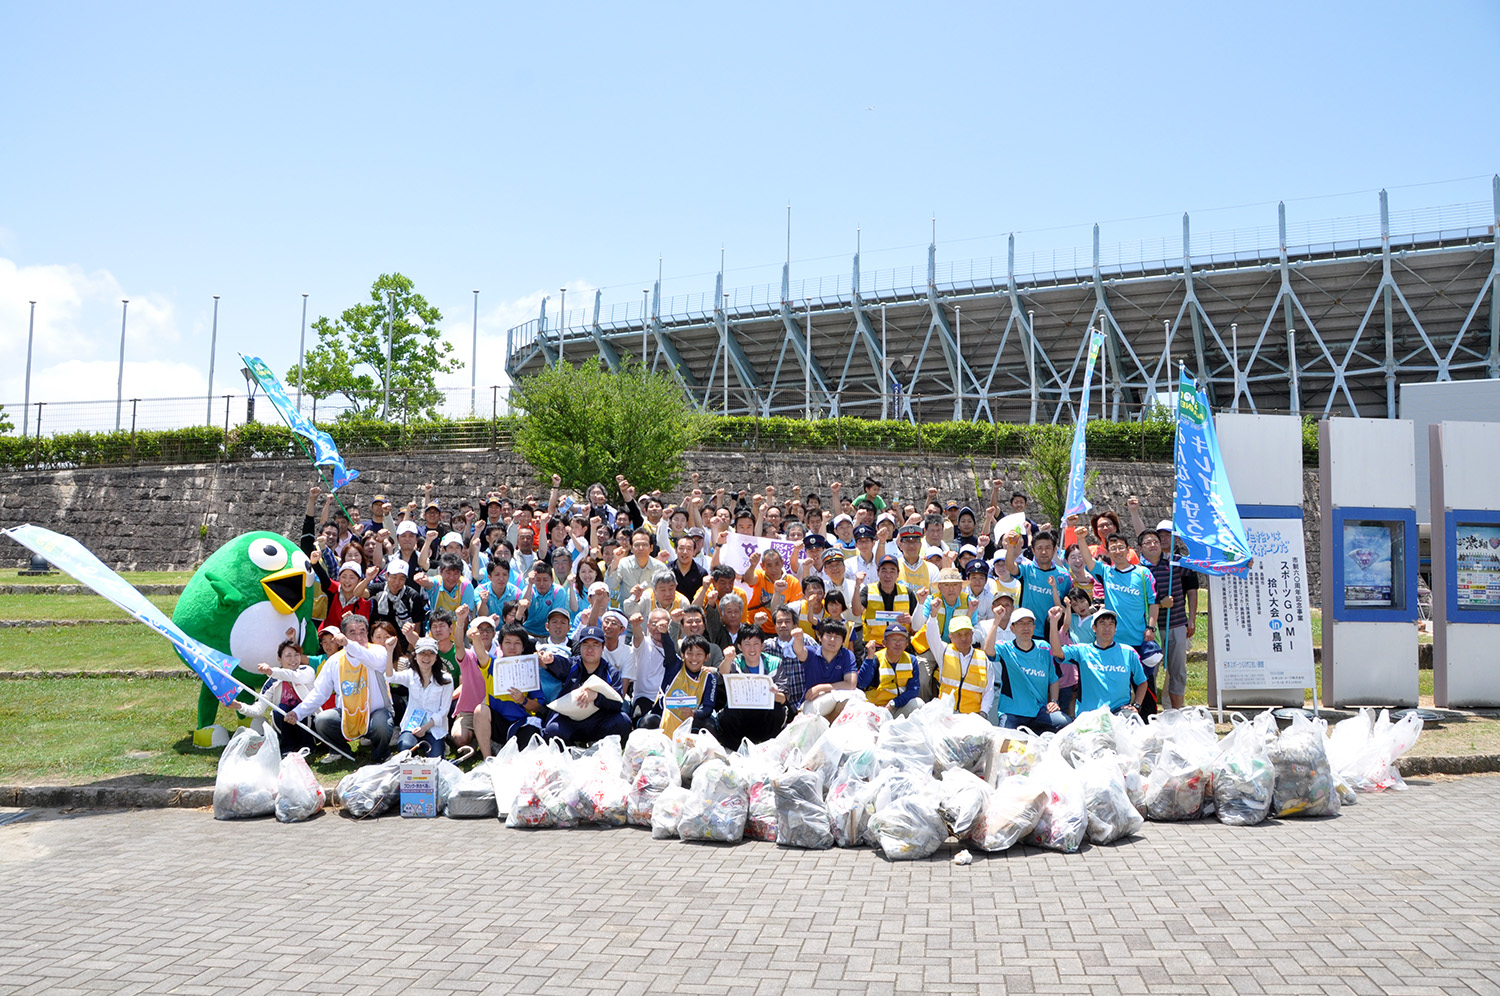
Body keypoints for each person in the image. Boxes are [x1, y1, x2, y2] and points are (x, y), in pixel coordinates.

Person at [288, 614, 397, 761]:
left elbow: (375, 662)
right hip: (348, 715)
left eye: (362, 632)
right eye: (352, 633)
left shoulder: (378, 651)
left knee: (381, 725)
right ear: (343, 636)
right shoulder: (334, 661)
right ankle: (340, 751)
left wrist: (349, 644)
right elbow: (319, 692)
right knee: (323, 719)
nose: (359, 637)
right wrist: (297, 713)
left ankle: (381, 755)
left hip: (377, 714)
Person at [1135, 520, 1200, 711]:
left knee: (1178, 671)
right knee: (1149, 672)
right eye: (1148, 542)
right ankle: (1150, 712)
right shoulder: (1138, 571)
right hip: (1150, 629)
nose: (1154, 544)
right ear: (1140, 547)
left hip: (1177, 624)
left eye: (1156, 541)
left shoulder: (1176, 563)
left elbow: (1201, 565)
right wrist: (1160, 605)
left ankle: (1176, 713)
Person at [540, 625, 633, 747]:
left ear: (602, 648)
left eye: (595, 645)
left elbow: (616, 703)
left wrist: (596, 697)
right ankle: (570, 751)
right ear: (580, 647)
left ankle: (604, 752)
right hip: (570, 721)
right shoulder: (572, 664)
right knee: (553, 729)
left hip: (598, 722)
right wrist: (550, 660)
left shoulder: (611, 672)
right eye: (586, 645)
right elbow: (559, 664)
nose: (590, 649)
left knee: (623, 721)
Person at [1046, 607, 1147, 716]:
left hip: (1119, 713)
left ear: (1115, 628)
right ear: (1094, 628)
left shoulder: (1129, 652)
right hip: (1089, 714)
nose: (1107, 628)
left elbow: (1142, 682)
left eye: (1111, 624)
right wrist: (1053, 621)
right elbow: (1057, 652)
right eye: (1103, 623)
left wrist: (1136, 705)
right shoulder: (1081, 651)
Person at [1076, 528, 1158, 655]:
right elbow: (1088, 560)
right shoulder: (1105, 572)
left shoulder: (1143, 573)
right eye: (1113, 549)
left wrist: (1151, 628)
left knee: (1140, 674)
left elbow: (1154, 602)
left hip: (1139, 638)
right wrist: (1081, 539)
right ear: (1108, 553)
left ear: (1128, 549)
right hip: (1113, 639)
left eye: (1121, 547)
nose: (1117, 551)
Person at [473, 624, 546, 755]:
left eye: (517, 643)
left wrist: (522, 700)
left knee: (529, 743)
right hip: (497, 722)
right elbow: (481, 654)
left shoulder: (530, 668)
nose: (512, 647)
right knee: (480, 710)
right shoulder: (493, 664)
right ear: (500, 645)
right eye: (508, 642)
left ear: (523, 647)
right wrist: (475, 638)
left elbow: (536, 706)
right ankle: (488, 759)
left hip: (521, 722)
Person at [713, 625, 788, 751]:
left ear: (762, 646)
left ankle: (769, 748)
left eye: (756, 644)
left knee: (778, 711)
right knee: (727, 715)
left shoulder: (775, 663)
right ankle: (735, 749)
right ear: (740, 647)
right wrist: (727, 659)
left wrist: (773, 694)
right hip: (741, 711)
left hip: (764, 712)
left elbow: (783, 698)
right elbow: (722, 674)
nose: (752, 649)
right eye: (747, 644)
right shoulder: (735, 661)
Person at [992, 608, 1065, 732]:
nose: (1025, 627)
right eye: (1021, 623)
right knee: (1005, 740)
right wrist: (996, 621)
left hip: (1039, 711)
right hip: (1012, 711)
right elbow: (988, 650)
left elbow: (1053, 678)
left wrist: (1054, 701)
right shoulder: (1005, 648)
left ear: (1034, 627)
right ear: (1012, 628)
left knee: (1064, 723)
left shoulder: (1044, 647)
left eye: (1029, 623)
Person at [388, 636, 453, 758]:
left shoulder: (446, 679)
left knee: (435, 759)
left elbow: (444, 710)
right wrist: (389, 651)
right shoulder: (410, 675)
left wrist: (425, 727)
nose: (426, 657)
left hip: (433, 727)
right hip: (412, 724)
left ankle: (440, 745)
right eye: (422, 653)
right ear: (415, 656)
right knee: (405, 747)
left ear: (436, 656)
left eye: (431, 653)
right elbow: (390, 677)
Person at [999, 529, 1071, 640]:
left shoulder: (1064, 576)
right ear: (1033, 550)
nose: (1043, 552)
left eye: (1048, 548)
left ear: (1055, 550)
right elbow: (1010, 567)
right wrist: (1010, 547)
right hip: (1029, 632)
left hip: (1054, 632)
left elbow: (1068, 605)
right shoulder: (1027, 569)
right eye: (1039, 548)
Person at [645, 634, 719, 736]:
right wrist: (664, 633)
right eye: (690, 653)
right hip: (664, 715)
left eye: (699, 654)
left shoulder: (710, 678)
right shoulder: (675, 666)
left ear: (706, 657)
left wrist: (693, 713)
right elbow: (669, 648)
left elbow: (708, 707)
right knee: (648, 721)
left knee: (709, 724)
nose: (694, 658)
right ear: (683, 655)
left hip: (690, 719)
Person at [254, 638, 317, 755]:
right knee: (280, 709)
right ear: (279, 659)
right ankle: (287, 747)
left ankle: (307, 745)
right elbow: (258, 708)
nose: (293, 660)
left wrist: (271, 671)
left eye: (296, 655)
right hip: (284, 726)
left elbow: (292, 676)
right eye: (288, 656)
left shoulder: (307, 671)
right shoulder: (273, 680)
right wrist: (239, 706)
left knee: (301, 707)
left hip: (309, 725)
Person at [926, 614, 995, 717]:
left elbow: (989, 691)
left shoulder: (983, 659)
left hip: (973, 715)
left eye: (967, 634)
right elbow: (932, 636)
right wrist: (933, 616)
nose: (963, 638)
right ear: (951, 637)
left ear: (972, 634)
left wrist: (983, 713)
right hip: (947, 713)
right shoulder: (943, 651)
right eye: (958, 634)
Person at [862, 623, 921, 716]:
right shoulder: (875, 658)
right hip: (875, 708)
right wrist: (869, 657)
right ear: (884, 643)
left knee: (918, 703)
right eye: (893, 640)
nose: (898, 643)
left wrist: (893, 703)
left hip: (896, 706)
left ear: (906, 644)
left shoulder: (911, 660)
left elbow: (913, 690)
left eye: (901, 640)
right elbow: (862, 683)